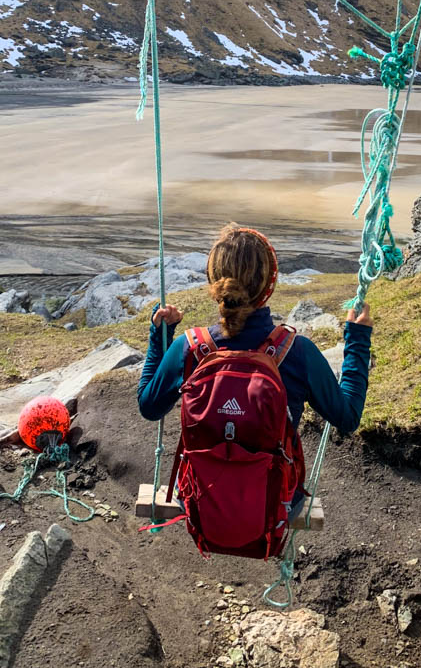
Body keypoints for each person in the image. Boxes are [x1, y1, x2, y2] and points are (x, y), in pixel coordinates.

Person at [137, 223, 373, 522]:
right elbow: (348, 417)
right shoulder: (296, 351)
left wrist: (160, 337)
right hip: (275, 506)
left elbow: (148, 407)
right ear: (269, 285)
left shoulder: (191, 348)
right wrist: (358, 340)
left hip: (199, 501)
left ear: (214, 284)